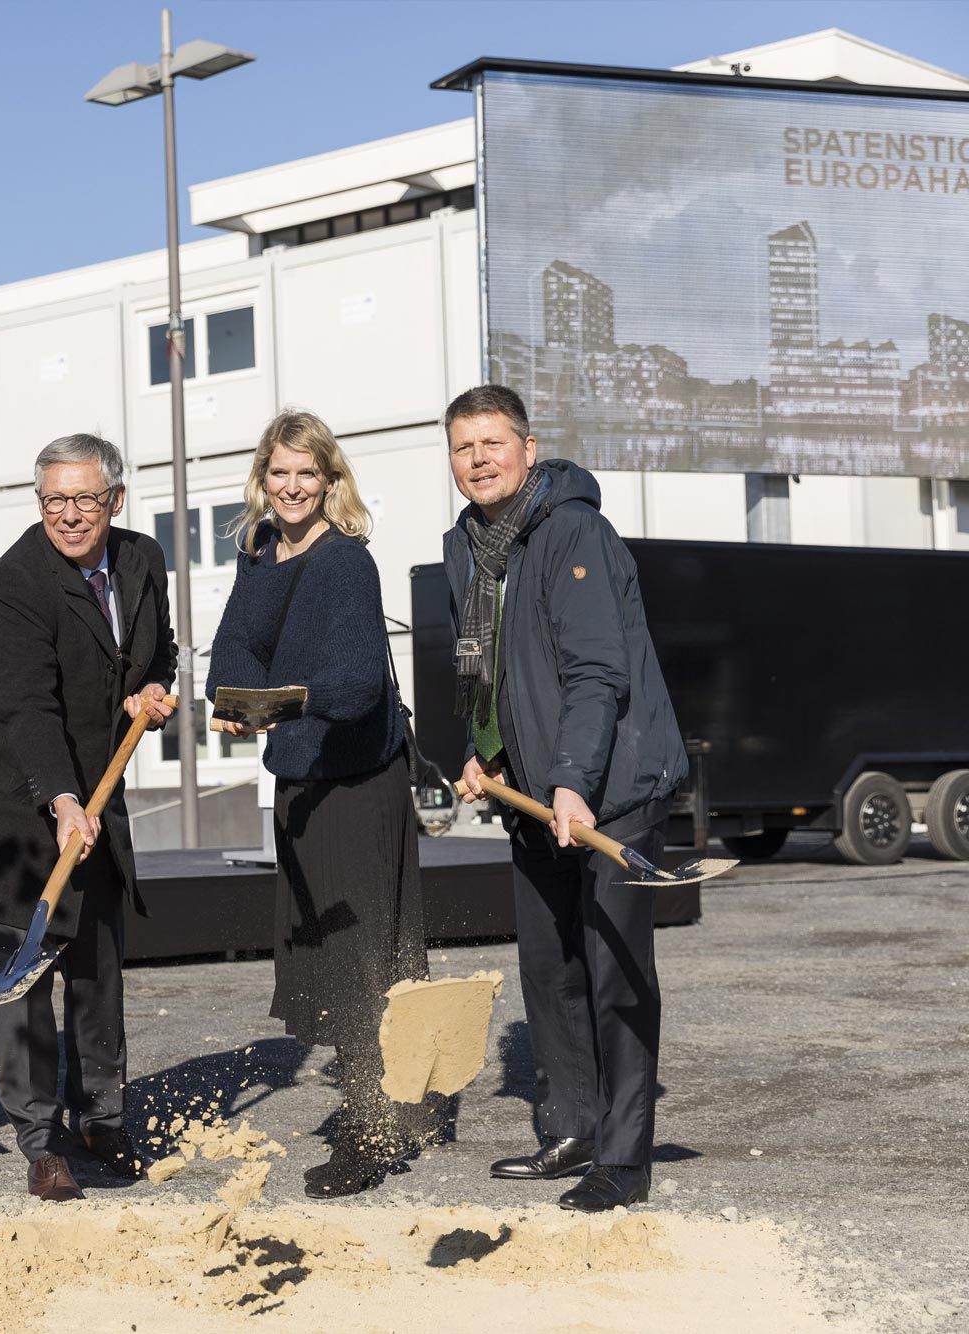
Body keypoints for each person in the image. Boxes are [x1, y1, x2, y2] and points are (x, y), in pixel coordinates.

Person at [444, 384, 688, 1214]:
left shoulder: (573, 530)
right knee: (550, 967)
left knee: (614, 967)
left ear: (528, 446)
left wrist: (574, 783)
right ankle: (573, 1128)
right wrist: (479, 756)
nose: (477, 459)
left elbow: (596, 671)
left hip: (606, 785)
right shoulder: (469, 546)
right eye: (462, 446)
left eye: (492, 443)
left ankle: (624, 1155)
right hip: (534, 791)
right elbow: (483, 670)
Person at [0, 433, 176, 1203]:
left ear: (115, 498)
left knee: (98, 967)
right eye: (53, 500)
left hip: (94, 796)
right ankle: (41, 1142)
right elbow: (25, 703)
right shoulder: (16, 583)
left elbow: (157, 651)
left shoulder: (142, 560)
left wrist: (152, 690)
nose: (69, 515)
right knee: (21, 985)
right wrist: (61, 799)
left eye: (84, 499)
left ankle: (102, 1117)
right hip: (14, 806)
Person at [206, 410, 427, 1198]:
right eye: (279, 473)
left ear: (330, 482)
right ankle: (383, 1103)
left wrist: (284, 698)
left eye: (308, 473)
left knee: (363, 960)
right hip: (301, 776)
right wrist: (231, 697)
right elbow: (234, 645)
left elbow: (359, 683)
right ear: (262, 480)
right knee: (326, 956)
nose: (292, 487)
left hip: (359, 783)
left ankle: (374, 1133)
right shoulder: (259, 552)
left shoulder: (345, 564)